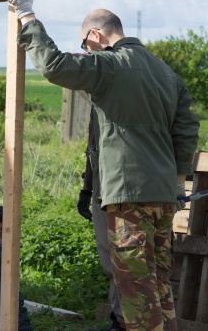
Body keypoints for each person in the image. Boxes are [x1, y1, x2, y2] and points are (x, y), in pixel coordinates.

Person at [6, 0, 200, 331]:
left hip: (128, 194)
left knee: (135, 289)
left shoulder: (110, 65)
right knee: (158, 283)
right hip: (164, 196)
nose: (85, 50)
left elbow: (54, 65)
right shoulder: (167, 74)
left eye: (85, 44)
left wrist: (26, 15)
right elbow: (186, 131)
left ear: (95, 35)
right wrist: (179, 181)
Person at [77, 107, 125, 331]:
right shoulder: (96, 100)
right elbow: (92, 146)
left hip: (124, 189)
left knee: (123, 258)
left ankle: (124, 321)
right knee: (109, 258)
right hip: (100, 189)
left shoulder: (121, 92)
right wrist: (86, 189)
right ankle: (118, 319)